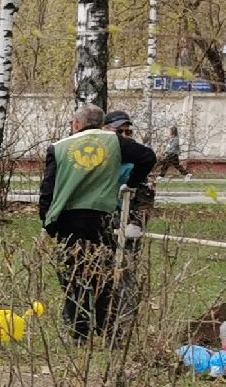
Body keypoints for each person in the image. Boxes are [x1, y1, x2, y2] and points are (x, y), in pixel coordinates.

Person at [37, 106, 128, 341]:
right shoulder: (114, 143)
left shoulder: (60, 148)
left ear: (76, 124)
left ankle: (79, 332)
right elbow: (148, 157)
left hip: (69, 220)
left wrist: (47, 222)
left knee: (72, 276)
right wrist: (130, 184)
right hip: (102, 219)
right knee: (104, 275)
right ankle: (108, 331)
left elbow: (48, 189)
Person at [104, 110, 159, 250]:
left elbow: (146, 197)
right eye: (119, 131)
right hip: (100, 220)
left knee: (124, 267)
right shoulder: (98, 156)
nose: (124, 136)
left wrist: (136, 223)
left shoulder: (139, 160)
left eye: (128, 132)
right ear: (105, 130)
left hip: (126, 222)